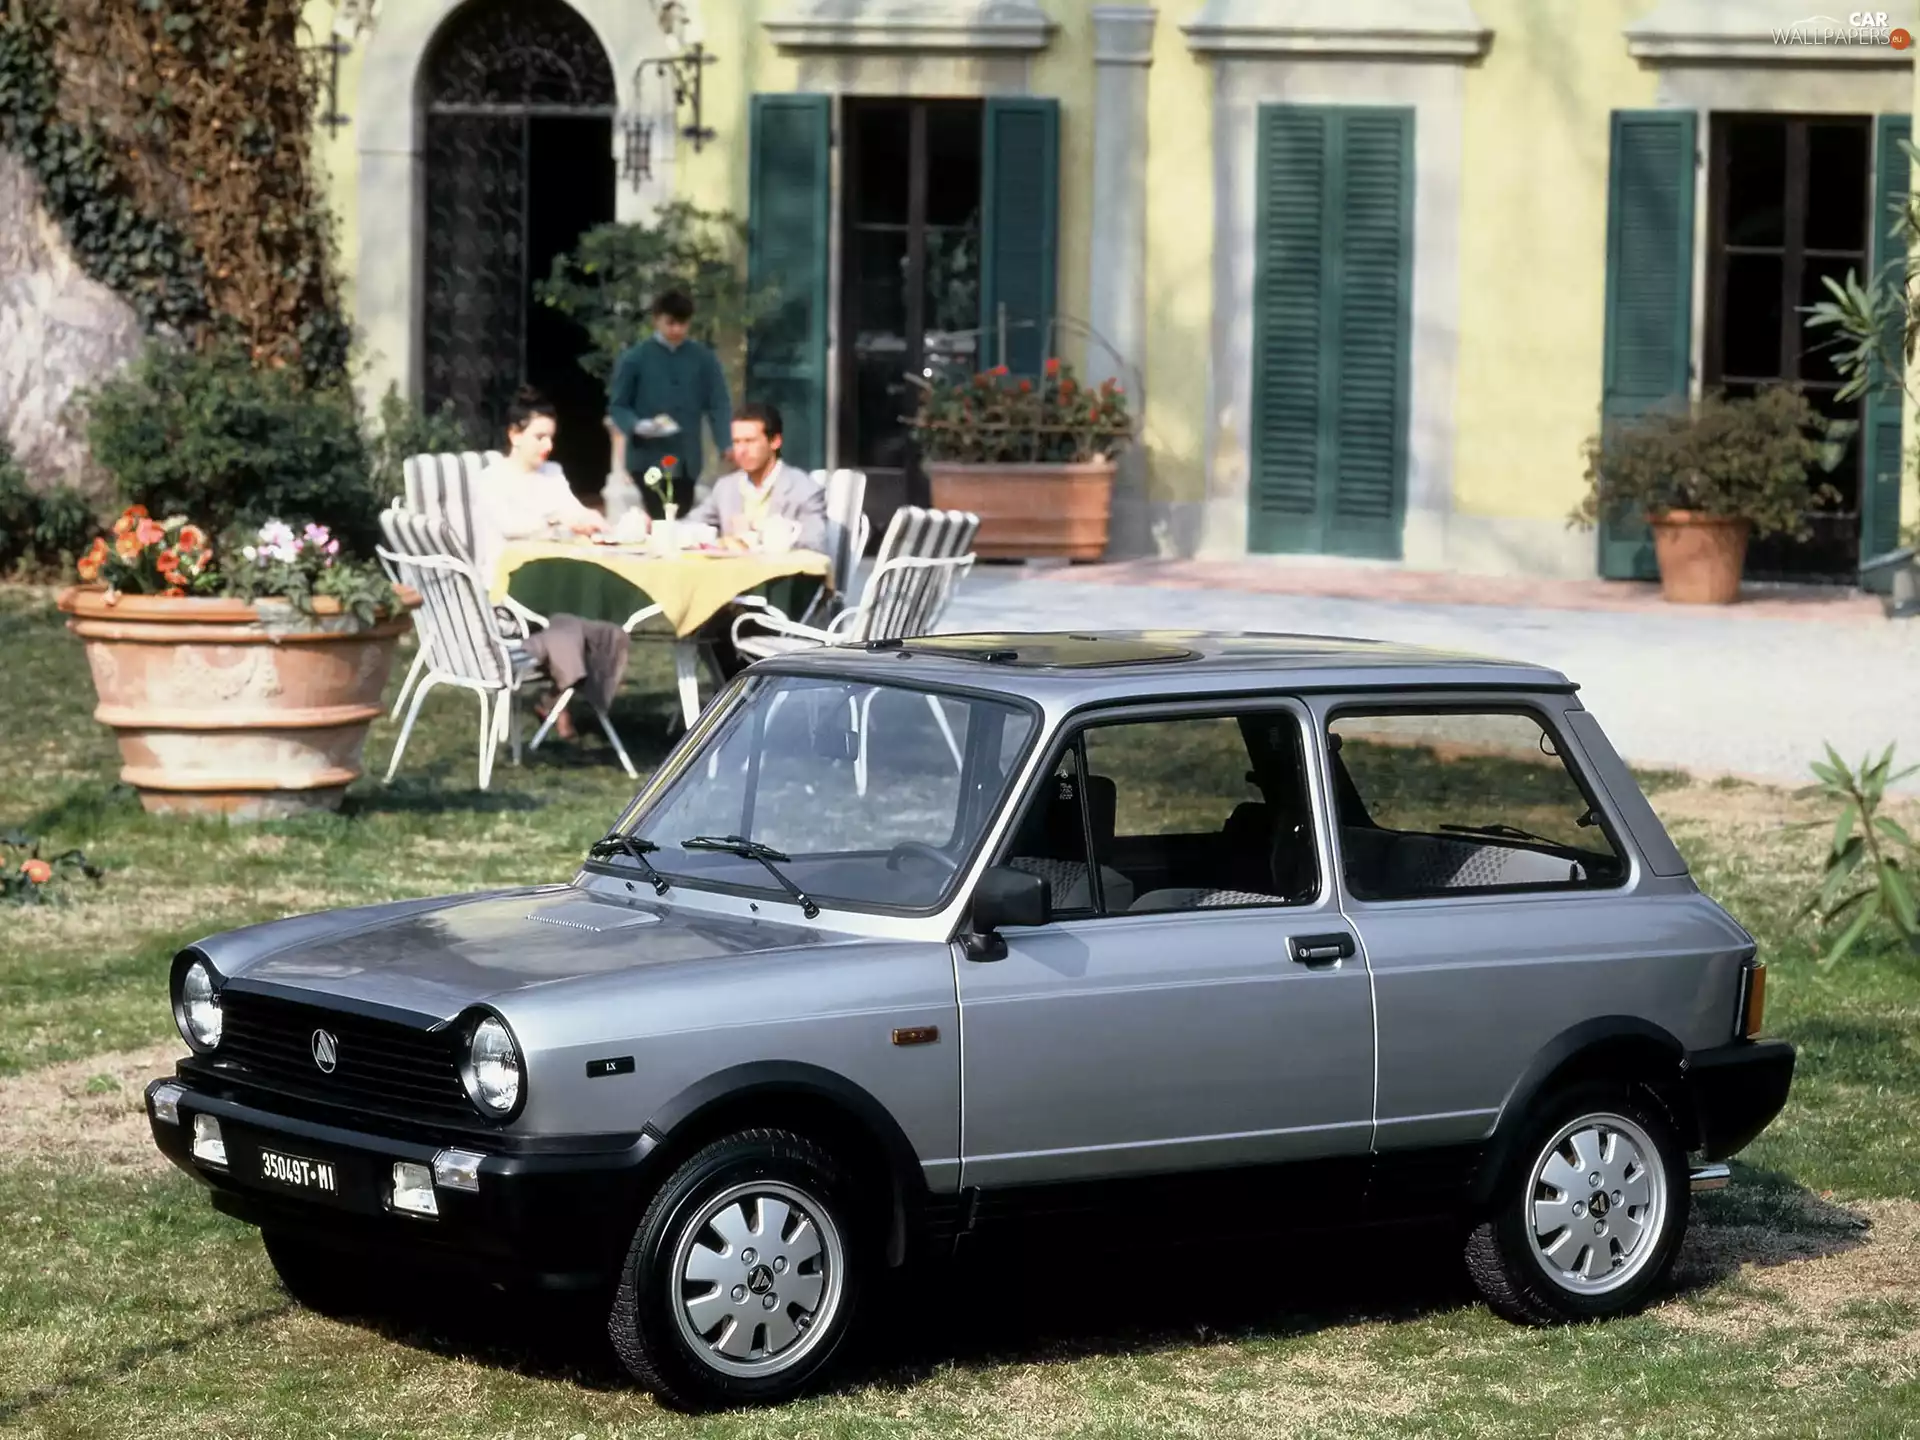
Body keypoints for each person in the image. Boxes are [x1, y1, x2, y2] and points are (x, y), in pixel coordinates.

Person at [471, 388, 622, 743]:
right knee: (572, 621)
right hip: (508, 590)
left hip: (554, 581)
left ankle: (559, 696)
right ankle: (561, 698)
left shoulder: (552, 473)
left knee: (605, 616)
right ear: (514, 434)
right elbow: (510, 526)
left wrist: (595, 521)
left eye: (551, 438)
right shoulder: (492, 479)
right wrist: (556, 521)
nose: (548, 446)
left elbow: (574, 510)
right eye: (539, 437)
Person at [606, 289, 732, 516]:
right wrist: (636, 425)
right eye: (670, 323)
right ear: (657, 320)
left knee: (681, 512)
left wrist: (726, 442)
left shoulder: (703, 358)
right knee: (660, 515)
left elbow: (718, 403)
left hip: (687, 457)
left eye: (682, 324)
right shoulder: (635, 358)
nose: (676, 330)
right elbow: (618, 405)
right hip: (647, 456)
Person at [685, 402, 827, 554]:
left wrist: (763, 534)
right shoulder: (725, 487)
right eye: (736, 442)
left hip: (780, 569)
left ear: (775, 441)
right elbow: (689, 526)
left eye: (750, 441)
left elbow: (815, 544)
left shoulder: (804, 489)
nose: (741, 450)